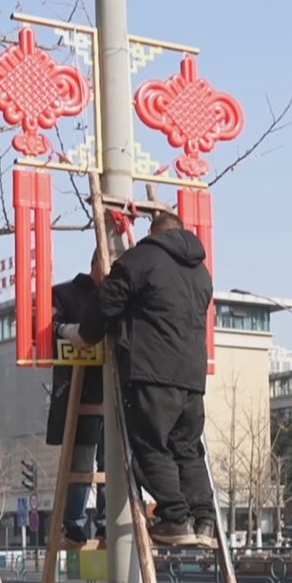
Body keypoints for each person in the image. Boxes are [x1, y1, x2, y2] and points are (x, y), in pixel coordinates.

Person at [61, 213, 217, 548]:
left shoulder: (140, 260)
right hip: (192, 378)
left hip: (152, 372)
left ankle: (175, 518)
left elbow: (105, 304)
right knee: (188, 449)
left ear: (152, 232)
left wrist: (82, 333)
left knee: (150, 445)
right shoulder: (201, 273)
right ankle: (204, 520)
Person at [47, 250, 107, 549]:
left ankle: (108, 521)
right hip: (81, 390)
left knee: (112, 463)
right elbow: (50, 326)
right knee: (82, 461)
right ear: (94, 262)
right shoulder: (65, 294)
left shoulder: (120, 296)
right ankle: (73, 523)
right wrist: (65, 330)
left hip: (115, 394)